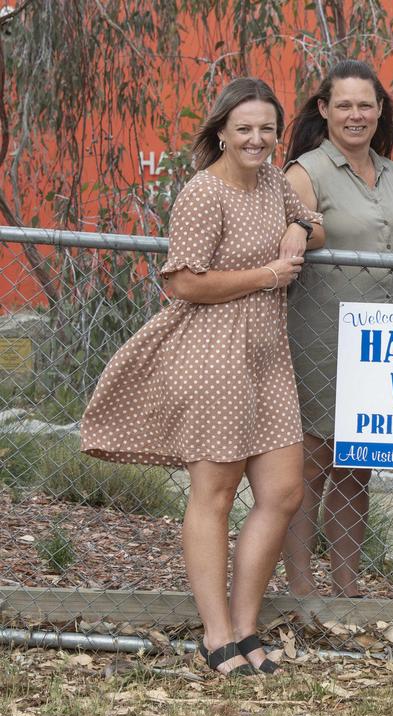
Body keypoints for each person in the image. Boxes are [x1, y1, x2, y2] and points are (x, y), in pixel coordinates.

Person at [81, 77, 325, 676]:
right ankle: (217, 635)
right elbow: (182, 281)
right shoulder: (203, 193)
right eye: (244, 128)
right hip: (212, 354)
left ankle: (246, 626)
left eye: (267, 127)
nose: (257, 138)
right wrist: (269, 274)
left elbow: (312, 221)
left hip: (268, 355)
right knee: (214, 495)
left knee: (283, 492)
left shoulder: (273, 180)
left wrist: (298, 229)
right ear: (221, 131)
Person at [279, 60, 393, 599]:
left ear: (379, 110)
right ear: (324, 110)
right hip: (319, 337)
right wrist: (300, 227)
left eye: (365, 105)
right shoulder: (305, 171)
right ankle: (302, 586)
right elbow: (295, 232)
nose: (356, 115)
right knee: (312, 465)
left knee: (356, 468)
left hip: (382, 344)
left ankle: (347, 585)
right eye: (344, 105)